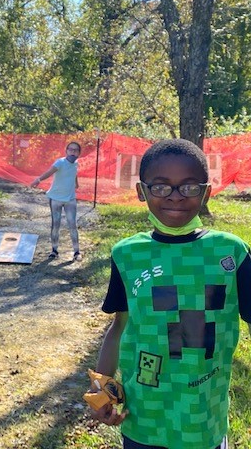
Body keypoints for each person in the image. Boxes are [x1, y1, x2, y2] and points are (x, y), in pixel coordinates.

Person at [90, 138, 251, 449]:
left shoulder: (232, 252)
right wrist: (101, 388)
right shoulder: (127, 255)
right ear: (142, 191)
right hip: (143, 419)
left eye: (189, 187)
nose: (175, 196)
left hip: (203, 419)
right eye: (161, 186)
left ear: (206, 192)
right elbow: (119, 327)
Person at [31, 141, 82, 261]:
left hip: (70, 199)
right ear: (66, 151)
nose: (73, 152)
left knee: (72, 224)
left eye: (75, 150)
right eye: (70, 149)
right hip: (56, 199)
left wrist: (76, 183)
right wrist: (39, 179)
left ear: (79, 153)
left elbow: (74, 172)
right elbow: (50, 171)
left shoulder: (76, 163)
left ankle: (77, 252)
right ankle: (54, 250)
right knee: (56, 224)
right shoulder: (60, 162)